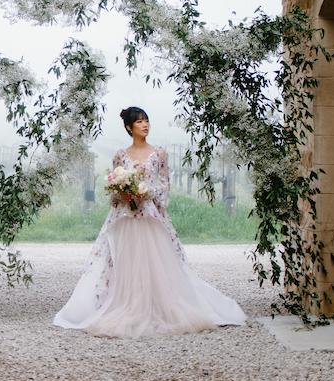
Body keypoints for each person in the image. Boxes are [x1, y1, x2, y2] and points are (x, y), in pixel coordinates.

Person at [53, 106, 246, 336]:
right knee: (125, 261)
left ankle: (158, 306)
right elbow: (113, 188)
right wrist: (124, 193)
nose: (145, 125)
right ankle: (126, 303)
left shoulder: (159, 154)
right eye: (139, 122)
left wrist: (145, 192)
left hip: (150, 215)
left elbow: (164, 184)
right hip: (125, 216)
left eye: (146, 120)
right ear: (129, 127)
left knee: (155, 262)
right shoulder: (120, 156)